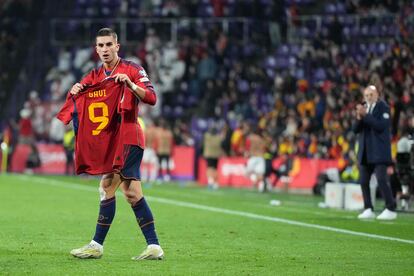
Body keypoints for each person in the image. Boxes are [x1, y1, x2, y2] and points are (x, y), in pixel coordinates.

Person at [67, 28, 164, 260]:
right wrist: (75, 92)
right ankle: (154, 246)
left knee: (107, 186)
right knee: (131, 193)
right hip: (111, 142)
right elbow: (79, 102)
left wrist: (131, 85)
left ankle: (96, 245)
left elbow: (151, 97)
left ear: (117, 46)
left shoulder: (132, 69)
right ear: (96, 49)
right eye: (100, 46)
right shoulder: (93, 75)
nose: (104, 50)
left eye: (109, 44)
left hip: (128, 137)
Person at [354, 85, 397, 220]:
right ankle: (368, 208)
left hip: (379, 151)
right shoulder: (364, 108)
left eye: (371, 95)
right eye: (366, 95)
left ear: (377, 94)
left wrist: (366, 115)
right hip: (366, 151)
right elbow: (355, 130)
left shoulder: (383, 107)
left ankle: (390, 208)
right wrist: (359, 118)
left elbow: (380, 126)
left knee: (381, 180)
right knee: (363, 181)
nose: (368, 98)